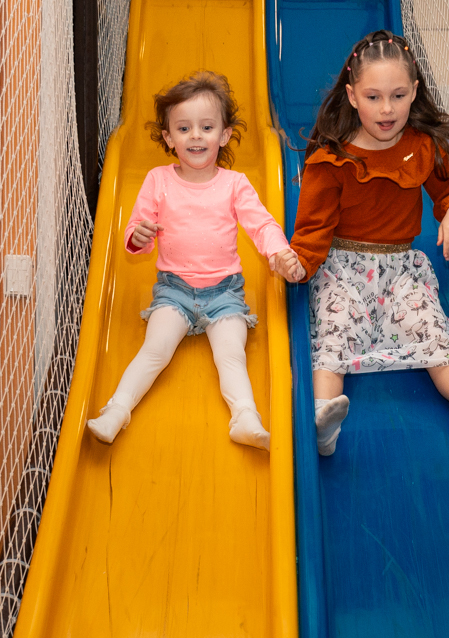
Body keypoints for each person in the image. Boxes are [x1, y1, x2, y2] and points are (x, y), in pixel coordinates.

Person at [285, 30, 449, 457]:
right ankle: (323, 418)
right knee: (334, 330)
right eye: (373, 97)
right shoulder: (333, 158)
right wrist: (299, 264)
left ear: (414, 92)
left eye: (398, 96)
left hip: (400, 271)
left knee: (430, 328)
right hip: (342, 270)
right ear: (352, 96)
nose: (387, 109)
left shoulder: (424, 146)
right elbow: (313, 229)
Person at [87, 71, 299, 451]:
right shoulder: (158, 180)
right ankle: (116, 411)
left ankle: (245, 419)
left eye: (206, 127)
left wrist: (279, 252)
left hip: (225, 294)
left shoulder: (235, 184)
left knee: (230, 354)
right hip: (175, 291)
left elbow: (261, 224)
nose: (195, 136)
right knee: (155, 349)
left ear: (224, 135)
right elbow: (136, 228)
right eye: (184, 128)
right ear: (169, 138)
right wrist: (138, 236)